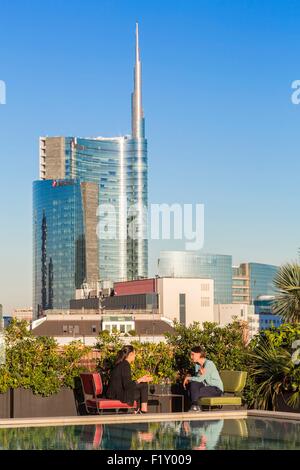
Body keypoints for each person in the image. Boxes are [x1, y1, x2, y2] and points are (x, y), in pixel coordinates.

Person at [106, 345, 153, 413]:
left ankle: (135, 410)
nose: (135, 356)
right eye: (135, 354)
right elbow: (127, 386)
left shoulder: (120, 363)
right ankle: (143, 410)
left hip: (113, 393)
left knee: (141, 387)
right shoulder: (125, 365)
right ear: (131, 354)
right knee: (144, 385)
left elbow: (126, 384)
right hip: (118, 395)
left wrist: (140, 380)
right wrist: (140, 380)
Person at [183, 346, 224, 412]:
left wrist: (188, 378)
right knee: (193, 384)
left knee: (192, 391)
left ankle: (195, 406)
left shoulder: (209, 364)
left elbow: (200, 379)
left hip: (216, 389)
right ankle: (196, 406)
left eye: (193, 354)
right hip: (206, 387)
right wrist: (195, 377)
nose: (191, 357)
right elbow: (197, 380)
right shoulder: (197, 365)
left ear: (199, 354)